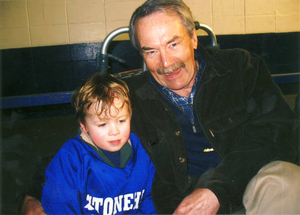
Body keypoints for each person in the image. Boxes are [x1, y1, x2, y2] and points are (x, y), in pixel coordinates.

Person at [21, 0, 300, 214]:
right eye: (151, 51)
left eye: (173, 43)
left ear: (193, 38)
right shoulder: (128, 95)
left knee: (288, 182)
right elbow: (81, 147)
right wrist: (32, 197)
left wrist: (216, 190)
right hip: (178, 205)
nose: (165, 63)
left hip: (246, 181)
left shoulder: (241, 67)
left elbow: (278, 132)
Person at [39, 73, 156, 214]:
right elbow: (60, 205)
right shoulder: (71, 157)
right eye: (102, 124)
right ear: (84, 126)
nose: (114, 131)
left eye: (121, 121)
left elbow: (151, 201)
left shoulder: (143, 150)